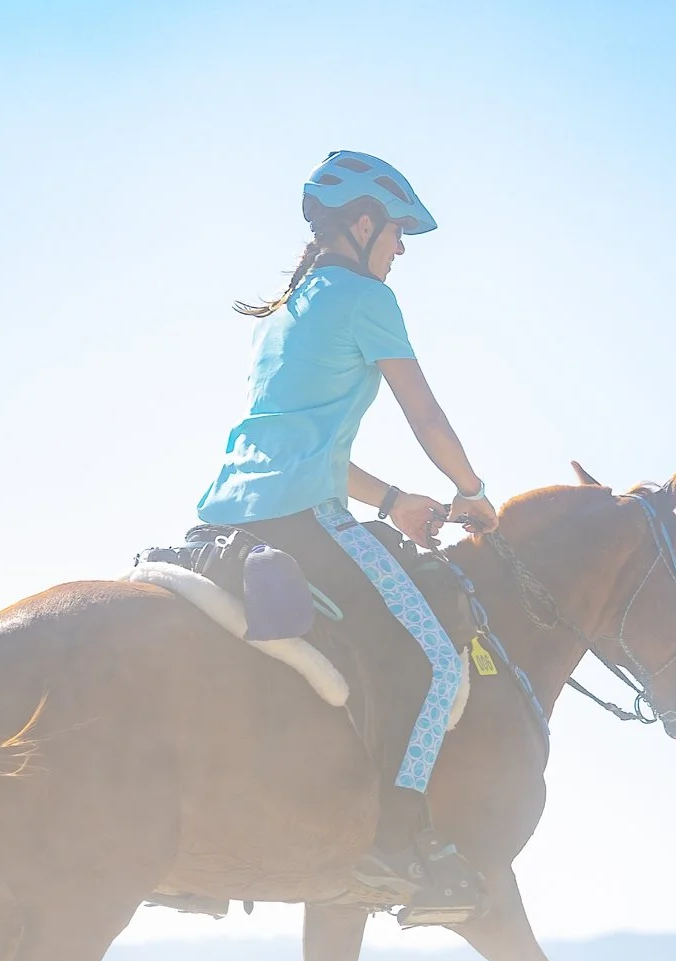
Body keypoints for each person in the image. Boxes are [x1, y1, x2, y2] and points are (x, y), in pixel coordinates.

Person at [195, 150, 498, 918]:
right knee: (436, 658)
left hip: (225, 517)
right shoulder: (366, 298)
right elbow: (425, 416)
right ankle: (396, 843)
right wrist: (473, 493)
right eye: (398, 233)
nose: (401, 249)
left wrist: (393, 497)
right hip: (306, 521)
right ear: (362, 225)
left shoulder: (284, 309)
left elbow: (306, 441)